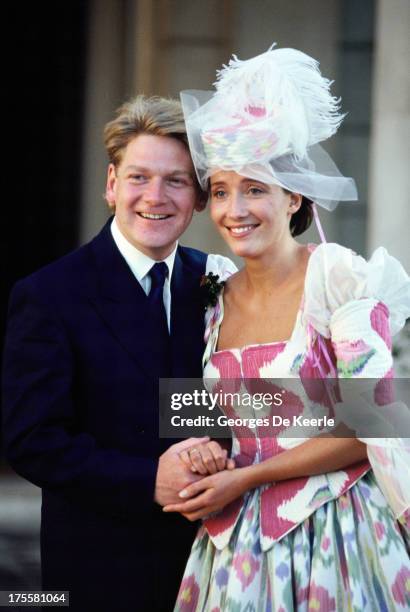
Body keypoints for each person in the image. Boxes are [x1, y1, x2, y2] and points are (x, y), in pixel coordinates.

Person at [164, 46, 410, 610]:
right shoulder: (212, 295)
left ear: (293, 195)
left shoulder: (338, 276)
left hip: (336, 534)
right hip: (234, 547)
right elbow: (202, 416)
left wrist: (246, 480)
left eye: (255, 188)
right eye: (221, 190)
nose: (234, 209)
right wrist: (203, 453)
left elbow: (369, 422)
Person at [2, 95, 236, 611]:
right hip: (101, 569)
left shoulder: (221, 283)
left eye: (176, 180)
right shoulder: (49, 295)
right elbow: (32, 440)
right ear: (112, 184)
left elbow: (217, 400)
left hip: (216, 566)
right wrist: (150, 478)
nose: (156, 196)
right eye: (139, 177)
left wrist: (218, 447)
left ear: (198, 196)